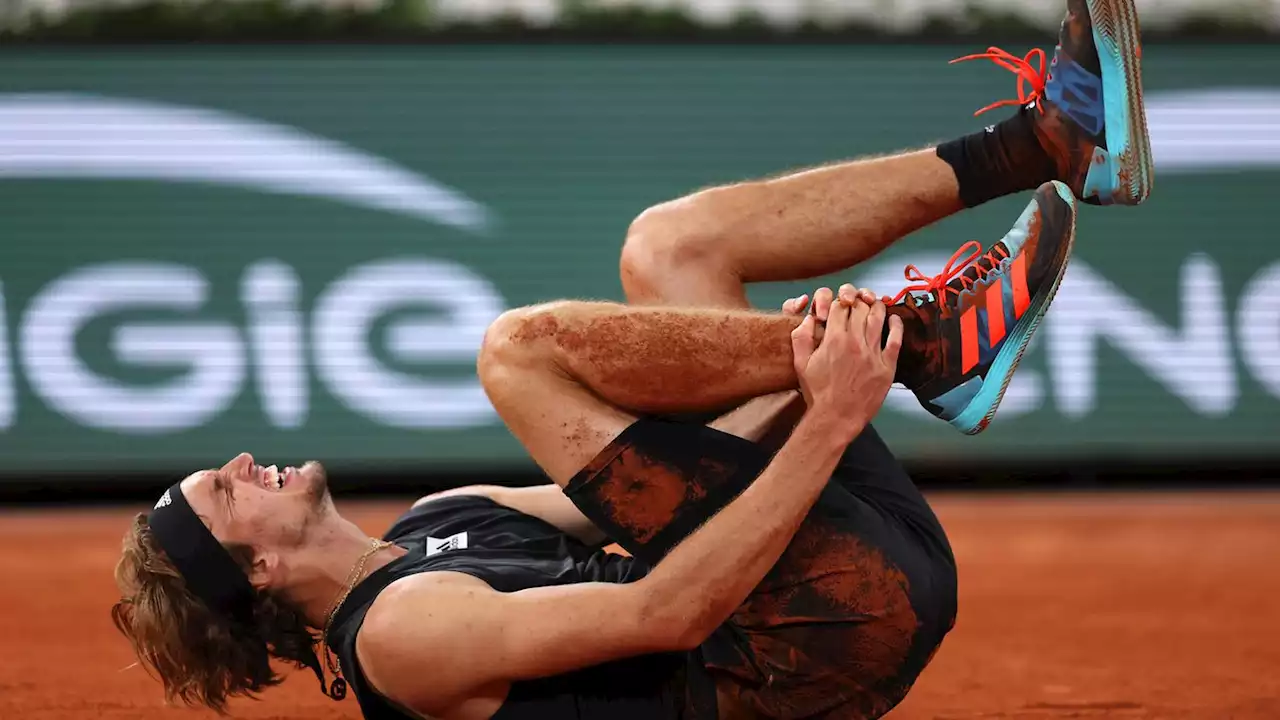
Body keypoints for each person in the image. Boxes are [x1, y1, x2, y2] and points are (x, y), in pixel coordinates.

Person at [111, 2, 1152, 718]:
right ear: (255, 568)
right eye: (223, 492)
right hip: (803, 645)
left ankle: (1045, 145)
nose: (243, 466)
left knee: (671, 246)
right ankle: (929, 345)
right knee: (516, 352)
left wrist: (831, 366)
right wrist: (833, 415)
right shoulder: (394, 639)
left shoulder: (434, 525)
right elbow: (667, 612)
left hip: (820, 572)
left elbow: (681, 470)